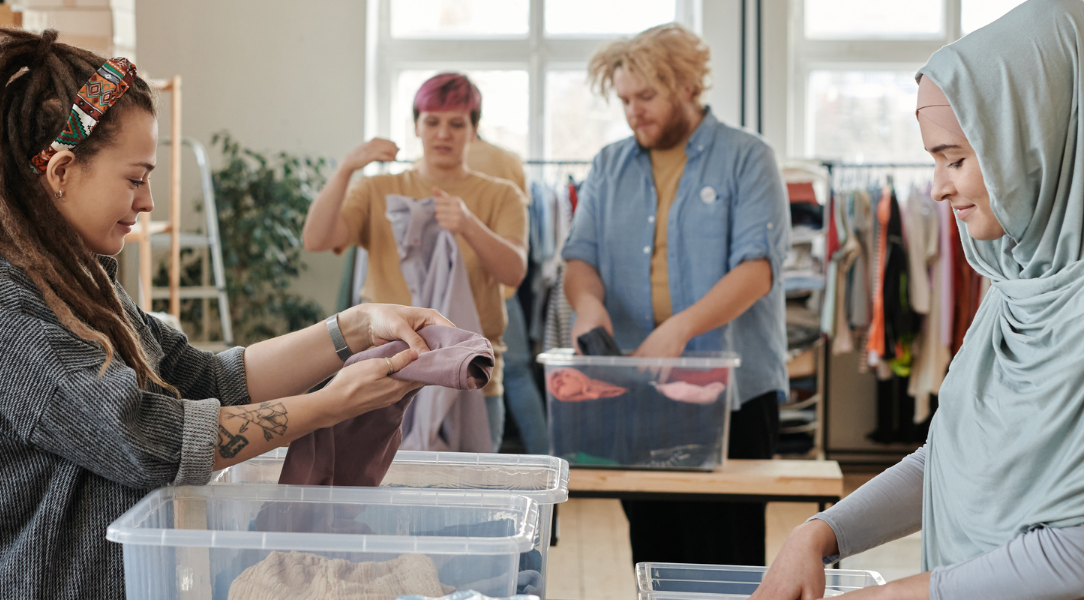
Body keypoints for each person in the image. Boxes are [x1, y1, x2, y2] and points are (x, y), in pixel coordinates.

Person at [0, 29, 451, 598]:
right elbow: (143, 441)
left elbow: (204, 378)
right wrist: (329, 405)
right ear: (60, 172)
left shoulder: (78, 284)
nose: (148, 200)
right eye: (135, 177)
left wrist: (357, 326)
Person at [751, 1, 1084, 599]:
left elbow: (1074, 550)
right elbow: (951, 462)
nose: (936, 188)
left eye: (955, 160)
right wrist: (820, 533)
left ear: (1036, 144)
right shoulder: (1014, 283)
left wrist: (890, 595)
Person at [562, 23, 789, 566]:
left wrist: (678, 329)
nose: (633, 111)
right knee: (654, 547)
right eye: (624, 100)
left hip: (733, 393)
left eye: (646, 97)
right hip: (639, 388)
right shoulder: (608, 166)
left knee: (726, 552)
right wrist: (589, 306)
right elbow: (580, 259)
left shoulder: (748, 158)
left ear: (687, 87)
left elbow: (757, 270)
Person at [303, 73, 529, 452]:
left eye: (456, 123)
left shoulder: (502, 195)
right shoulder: (378, 190)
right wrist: (345, 169)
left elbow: (514, 272)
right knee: (379, 500)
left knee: (470, 504)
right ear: (417, 126)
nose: (443, 133)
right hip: (384, 373)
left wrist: (469, 225)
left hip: (472, 376)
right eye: (432, 121)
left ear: (474, 130)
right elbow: (316, 239)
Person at [463, 135, 550, 455]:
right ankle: (547, 462)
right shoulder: (508, 160)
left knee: (464, 378)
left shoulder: (430, 166)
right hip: (502, 288)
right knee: (515, 373)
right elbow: (521, 222)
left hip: (459, 290)